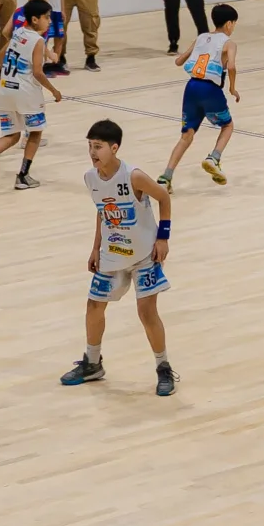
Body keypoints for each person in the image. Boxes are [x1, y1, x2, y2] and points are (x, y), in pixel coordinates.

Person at [62, 118, 178, 396]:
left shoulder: (133, 176)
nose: (92, 152)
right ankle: (92, 363)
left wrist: (163, 238)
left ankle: (163, 367)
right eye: (90, 146)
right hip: (112, 254)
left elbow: (164, 197)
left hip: (143, 254)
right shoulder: (91, 178)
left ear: (114, 148)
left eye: (98, 147)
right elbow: (102, 211)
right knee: (93, 307)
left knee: (146, 312)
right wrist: (94, 247)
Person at [0, 0, 66, 190]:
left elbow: (5, 45)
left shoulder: (18, 32)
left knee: (13, 135)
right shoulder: (38, 40)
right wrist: (54, 91)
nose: (49, 21)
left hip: (6, 90)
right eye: (46, 17)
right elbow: (38, 72)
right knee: (35, 133)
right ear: (35, 19)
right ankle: (23, 175)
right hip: (26, 93)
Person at [160, 4, 239, 188]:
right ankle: (214, 158)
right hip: (210, 89)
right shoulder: (229, 43)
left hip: (191, 88)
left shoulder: (202, 37)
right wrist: (233, 88)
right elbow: (232, 67)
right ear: (229, 24)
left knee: (186, 135)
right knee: (227, 125)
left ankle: (166, 177)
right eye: (234, 24)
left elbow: (179, 61)